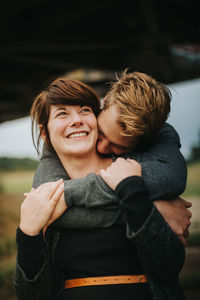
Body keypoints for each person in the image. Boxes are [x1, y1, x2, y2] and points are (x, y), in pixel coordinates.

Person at [15, 76, 187, 300]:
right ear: (45, 133)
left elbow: (168, 267)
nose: (76, 120)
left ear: (96, 116)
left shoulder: (135, 171)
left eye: (85, 110)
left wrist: (137, 200)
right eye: (62, 113)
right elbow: (32, 295)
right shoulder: (44, 197)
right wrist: (28, 235)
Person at [32, 71, 191, 245]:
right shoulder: (64, 139)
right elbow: (47, 207)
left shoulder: (159, 133)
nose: (101, 147)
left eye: (119, 147)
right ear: (105, 101)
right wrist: (151, 211)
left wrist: (70, 193)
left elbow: (170, 178)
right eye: (101, 133)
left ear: (145, 139)